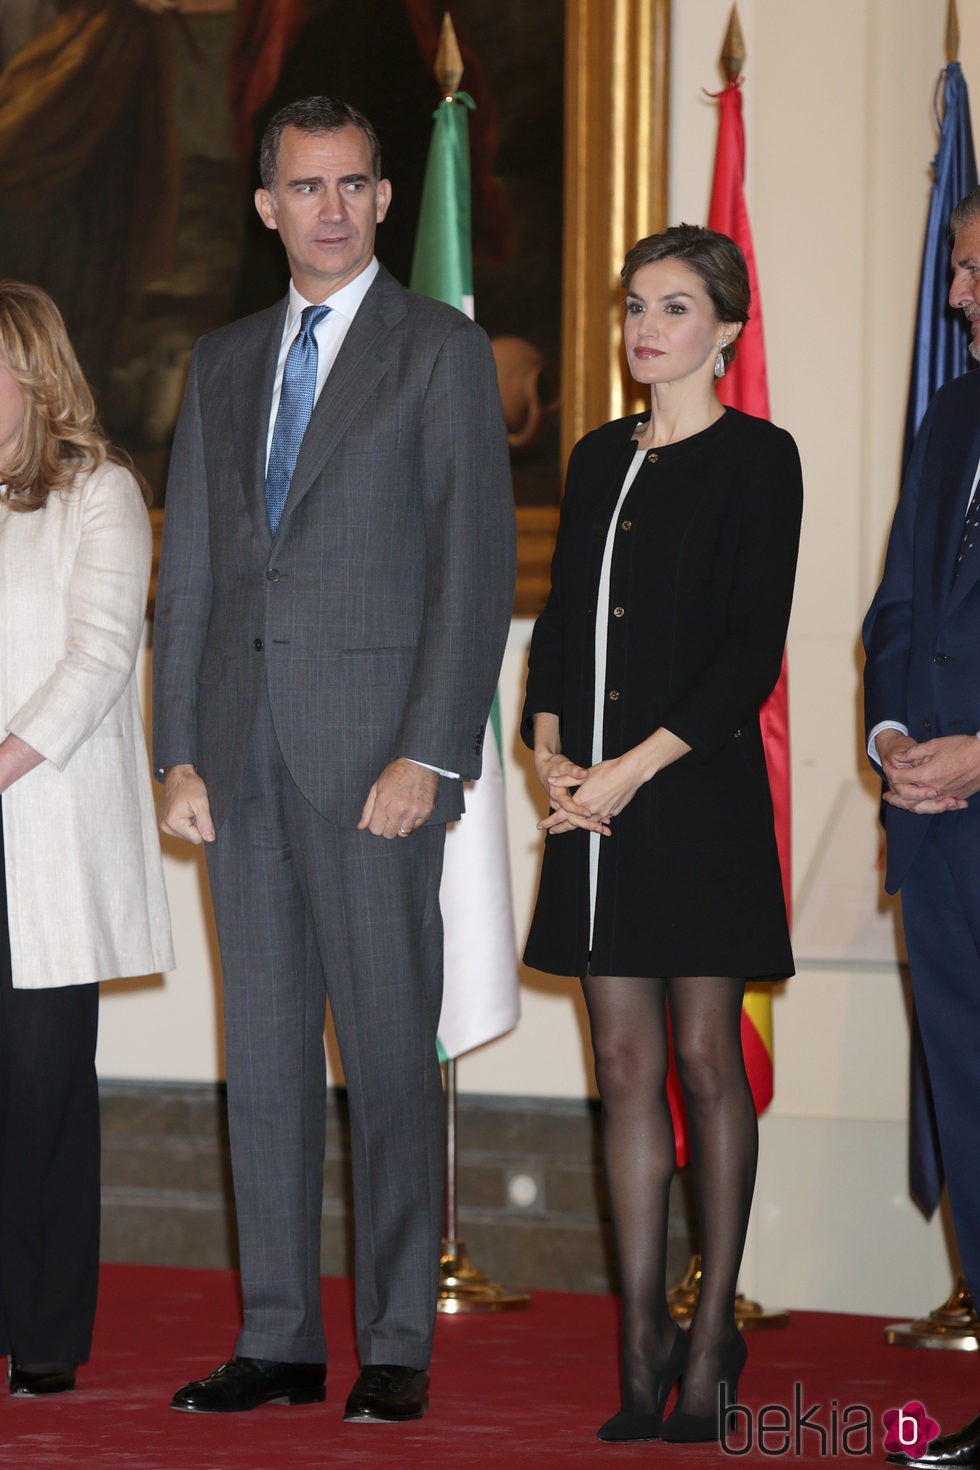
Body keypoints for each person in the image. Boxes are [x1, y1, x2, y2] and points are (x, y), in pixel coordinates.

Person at [151, 96, 514, 1423]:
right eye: (305, 187)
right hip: (239, 769)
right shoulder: (225, 357)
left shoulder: (441, 351)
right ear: (266, 205)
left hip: (379, 774)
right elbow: (186, 572)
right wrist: (175, 750)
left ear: (381, 200)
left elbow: (471, 576)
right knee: (264, 1065)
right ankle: (281, 1338)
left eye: (355, 185)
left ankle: (401, 1338)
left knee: (386, 1059)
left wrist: (430, 753)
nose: (331, 208)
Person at [522, 224, 803, 1444]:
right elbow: (558, 618)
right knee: (622, 1069)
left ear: (726, 330)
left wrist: (629, 771)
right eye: (634, 305)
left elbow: (749, 650)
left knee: (701, 1059)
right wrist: (543, 743)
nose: (646, 328)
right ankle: (636, 1346)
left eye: (675, 307)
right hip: (591, 798)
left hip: (691, 796)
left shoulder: (759, 459)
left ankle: (705, 1342)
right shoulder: (594, 458)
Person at [0, 280, 173, 1395]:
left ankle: (48, 1332)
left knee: (42, 1086)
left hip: (42, 836)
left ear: (34, 374)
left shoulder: (97, 491)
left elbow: (102, 653)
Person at [866, 186, 980, 1470]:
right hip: (936, 835)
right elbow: (897, 606)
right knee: (969, 1106)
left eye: (967, 273)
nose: (952, 297)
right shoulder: (953, 414)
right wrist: (896, 743)